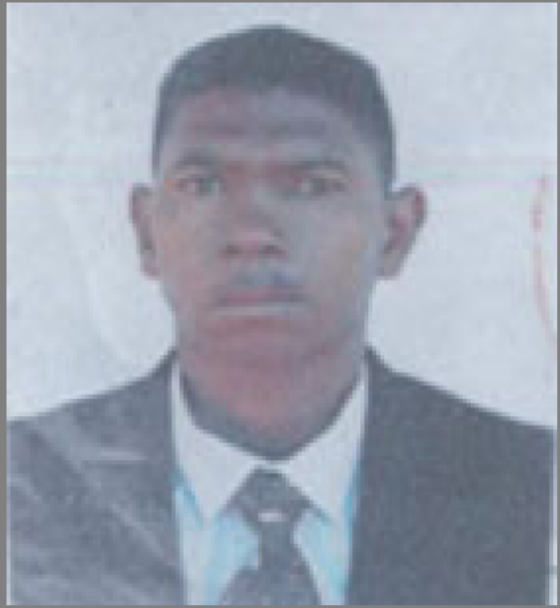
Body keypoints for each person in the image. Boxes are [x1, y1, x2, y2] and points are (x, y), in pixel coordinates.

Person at [8, 25, 554, 606]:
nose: (252, 233)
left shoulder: (531, 485)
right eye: (203, 185)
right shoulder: (24, 481)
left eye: (313, 185)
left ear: (395, 232)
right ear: (146, 231)